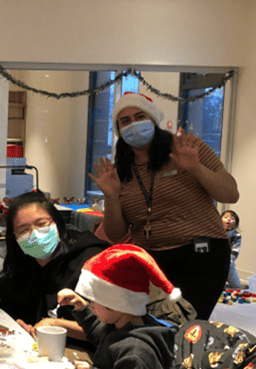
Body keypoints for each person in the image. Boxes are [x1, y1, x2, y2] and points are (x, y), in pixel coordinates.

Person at [89, 92, 239, 320]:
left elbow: (230, 193)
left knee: (183, 326)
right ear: (119, 130)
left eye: (140, 116)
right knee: (150, 325)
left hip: (201, 255)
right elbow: (116, 233)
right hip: (151, 260)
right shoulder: (121, 170)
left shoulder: (186, 149)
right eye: (125, 121)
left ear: (153, 119)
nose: (134, 125)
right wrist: (111, 196)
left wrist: (195, 168)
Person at [57, 244, 177, 369]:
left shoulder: (137, 351)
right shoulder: (122, 326)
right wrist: (80, 306)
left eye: (95, 301)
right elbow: (99, 334)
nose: (91, 305)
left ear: (117, 303)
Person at [0, 191, 108, 339]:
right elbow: (11, 315)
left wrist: (55, 325)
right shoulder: (21, 266)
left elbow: (109, 331)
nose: (34, 233)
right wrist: (23, 326)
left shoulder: (90, 260)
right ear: (15, 237)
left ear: (56, 222)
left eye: (41, 224)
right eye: (24, 230)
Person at [222, 209, 243, 288]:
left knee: (236, 285)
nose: (229, 219)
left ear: (236, 224)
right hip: (217, 264)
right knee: (219, 286)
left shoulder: (237, 236)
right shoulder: (217, 233)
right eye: (226, 217)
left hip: (229, 263)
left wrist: (229, 261)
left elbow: (235, 250)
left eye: (232, 218)